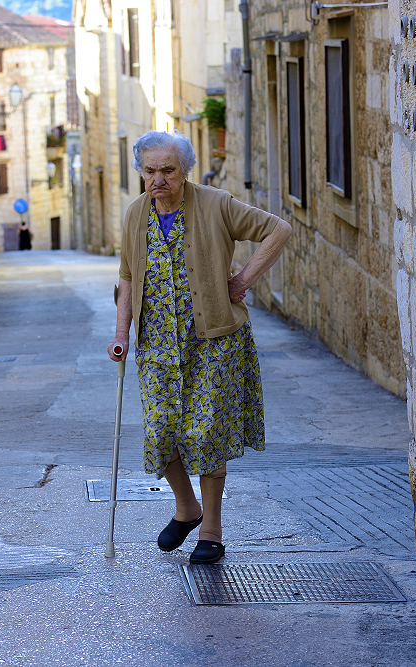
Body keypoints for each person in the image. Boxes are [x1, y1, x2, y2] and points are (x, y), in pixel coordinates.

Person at [107, 131, 292, 564]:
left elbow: (277, 230)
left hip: (215, 344)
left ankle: (212, 527)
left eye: (167, 170)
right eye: (150, 171)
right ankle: (185, 507)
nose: (158, 179)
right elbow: (128, 277)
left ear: (185, 170)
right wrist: (121, 334)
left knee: (206, 433)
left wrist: (242, 280)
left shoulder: (216, 203)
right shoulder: (136, 214)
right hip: (156, 346)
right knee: (161, 431)